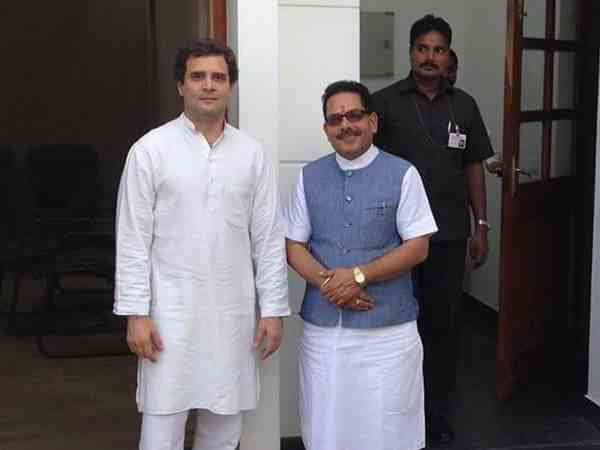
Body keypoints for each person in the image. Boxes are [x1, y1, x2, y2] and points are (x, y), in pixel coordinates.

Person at [113, 39, 290, 450]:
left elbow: (267, 239)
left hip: (233, 315)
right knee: (161, 429)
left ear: (230, 86)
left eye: (218, 77)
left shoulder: (251, 155)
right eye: (198, 77)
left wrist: (273, 309)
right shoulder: (150, 151)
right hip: (168, 315)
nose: (208, 85)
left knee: (224, 429)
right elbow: (133, 238)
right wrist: (136, 313)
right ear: (181, 86)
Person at [285, 80, 438, 450]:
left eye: (354, 115)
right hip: (325, 334)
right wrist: (331, 285)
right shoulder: (309, 176)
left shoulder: (403, 174)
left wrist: (359, 276)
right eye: (335, 119)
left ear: (372, 121)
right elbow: (292, 245)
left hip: (388, 334)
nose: (345, 125)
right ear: (326, 129)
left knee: (387, 430)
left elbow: (418, 247)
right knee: (326, 426)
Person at [372, 14, 494, 444]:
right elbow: (367, 165)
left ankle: (436, 417)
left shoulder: (465, 106)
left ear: (448, 56)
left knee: (442, 329)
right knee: (396, 328)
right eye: (422, 48)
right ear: (411, 52)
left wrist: (481, 225)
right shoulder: (384, 103)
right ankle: (392, 416)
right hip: (395, 240)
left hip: (448, 236)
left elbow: (474, 167)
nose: (429, 57)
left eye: (438, 50)